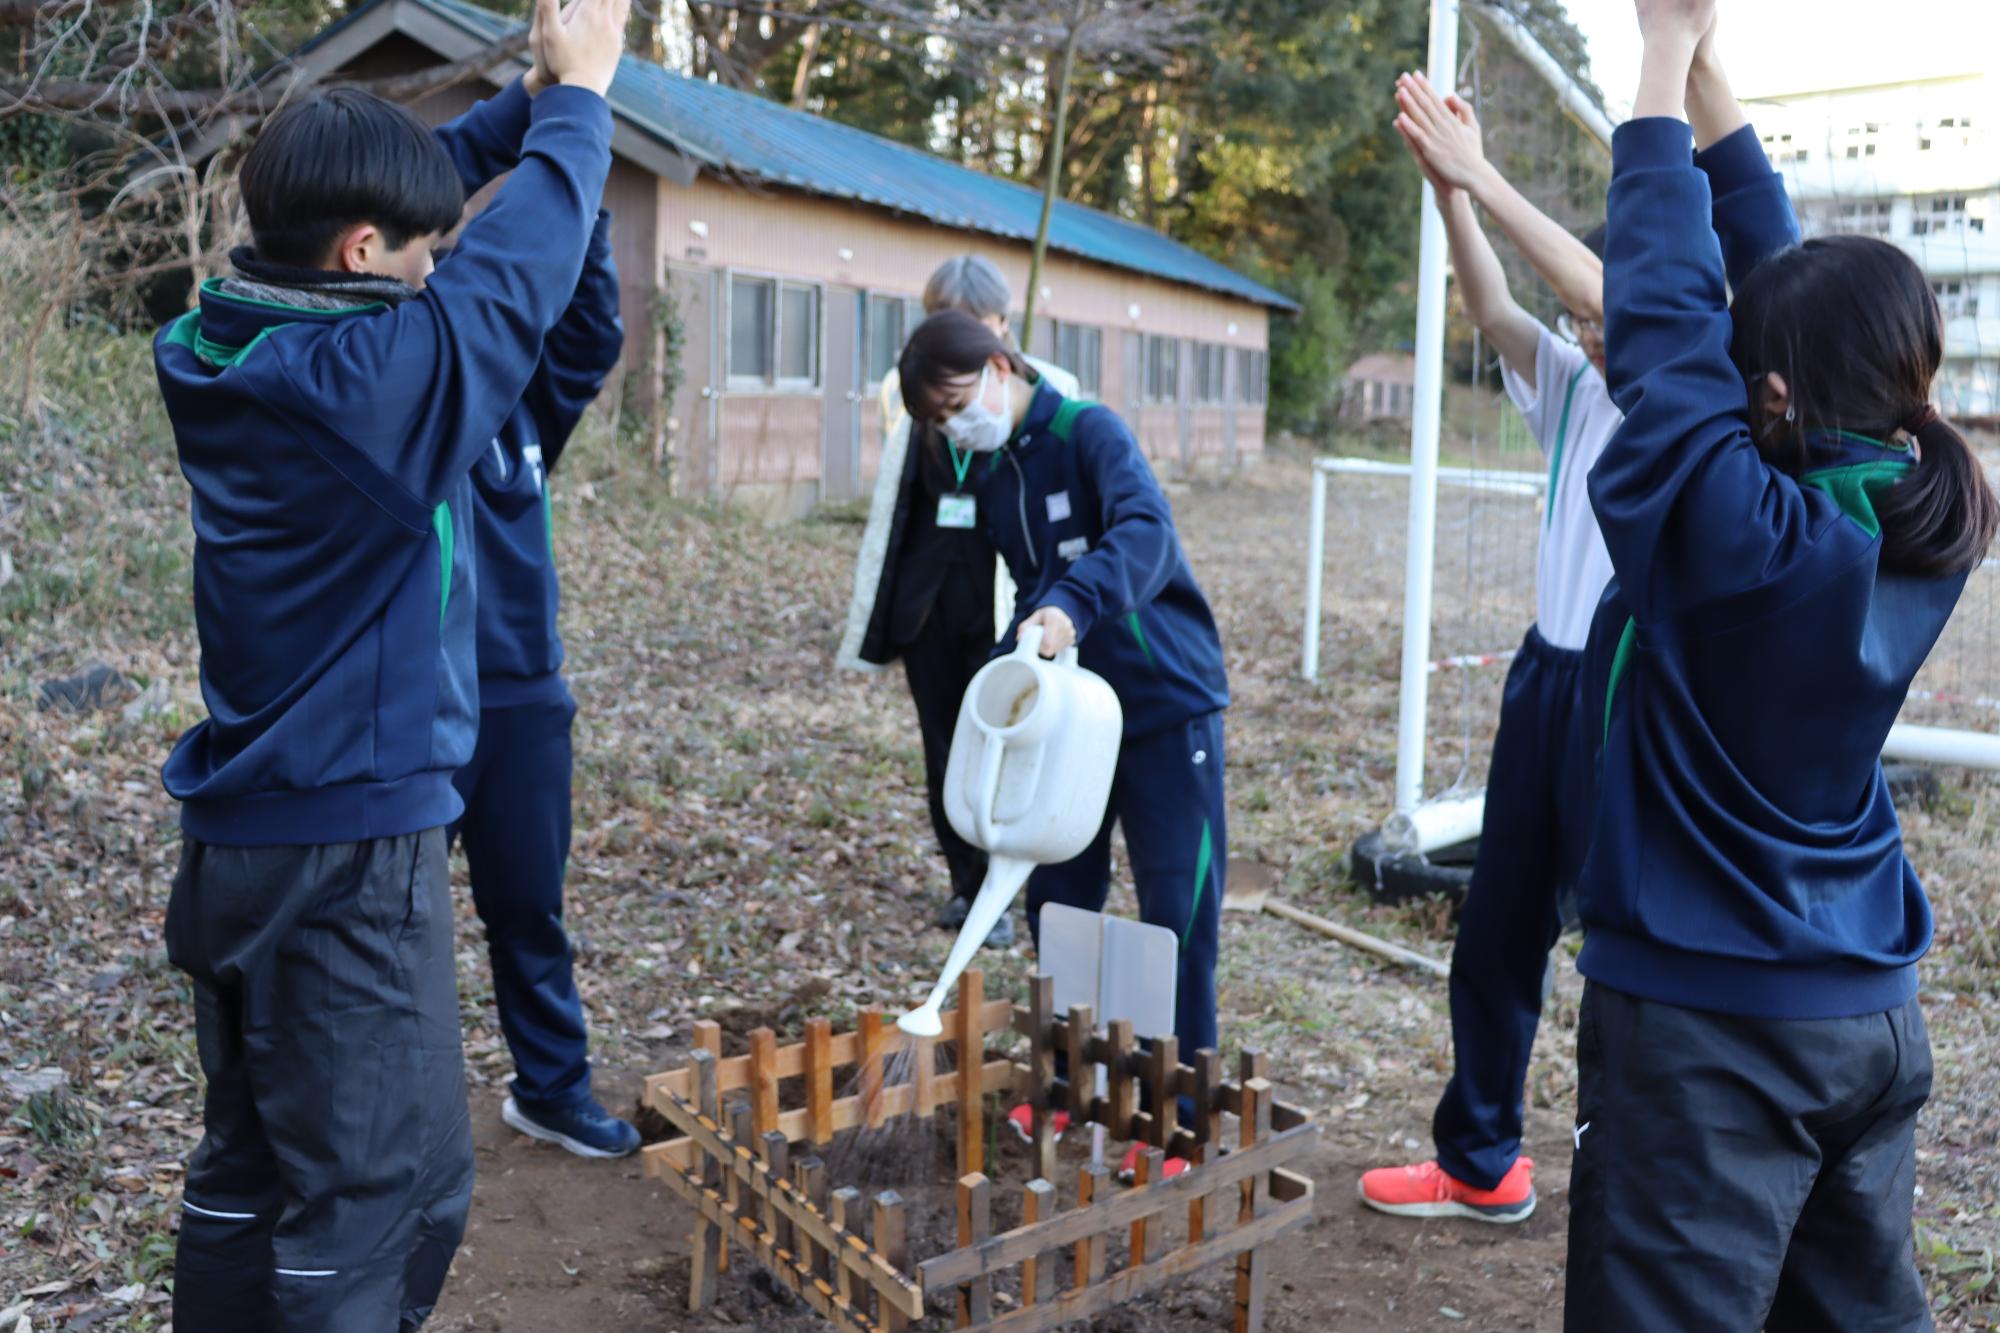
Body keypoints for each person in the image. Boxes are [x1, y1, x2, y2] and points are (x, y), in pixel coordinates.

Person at [153, 0, 627, 1325]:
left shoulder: (226, 340)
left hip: (242, 839)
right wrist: (584, 102)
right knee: (386, 1196)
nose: (436, 267)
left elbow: (447, 226)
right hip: (344, 863)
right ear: (360, 251)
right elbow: (517, 275)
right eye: (419, 252)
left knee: (251, 1173)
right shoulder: (364, 389)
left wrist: (535, 94)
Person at [1566, 5, 1996, 1326]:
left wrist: (1647, 68)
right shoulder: (1917, 514)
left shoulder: (1741, 534)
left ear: (1773, 400)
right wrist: (1698, 58)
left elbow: (1666, 323)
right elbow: (1777, 296)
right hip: (1864, 1013)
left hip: (1714, 1035)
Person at [1357, 72, 1617, 1224]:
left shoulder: (1702, 399)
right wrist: (1449, 197)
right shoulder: (1571, 385)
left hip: (1633, 700)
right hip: (1546, 678)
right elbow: (1493, 312)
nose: (1586, 333)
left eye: (1604, 318)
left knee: (1627, 950)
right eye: (1582, 324)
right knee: (1498, 927)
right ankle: (1479, 1159)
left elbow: (1612, 291)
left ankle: (1636, 1182)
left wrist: (1484, 175)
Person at [897, 310, 1230, 1181]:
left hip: (1163, 705)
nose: (954, 427)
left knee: (1176, 913)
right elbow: (1033, 586)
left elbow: (1146, 535)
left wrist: (1074, 602)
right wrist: (1018, 644)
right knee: (1058, 899)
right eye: (938, 421)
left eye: (960, 403)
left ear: (1002, 365)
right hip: (1072, 718)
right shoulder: (997, 469)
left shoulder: (1091, 433)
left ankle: (1180, 1120)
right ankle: (1071, 1078)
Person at [444, 202, 636, 1155]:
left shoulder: (521, 411)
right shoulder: (394, 411)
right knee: (388, 924)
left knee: (529, 906)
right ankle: (393, 1110)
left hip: (521, 700)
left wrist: (581, 206)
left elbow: (594, 334)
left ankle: (551, 1086)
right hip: (412, 707)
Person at [837, 256, 1080, 949]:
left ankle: (1013, 883)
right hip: (928, 602)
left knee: (1014, 743)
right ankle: (967, 883)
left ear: (1002, 329)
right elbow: (900, 500)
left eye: (976, 328)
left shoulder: (1043, 394)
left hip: (1006, 603)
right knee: (944, 744)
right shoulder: (913, 395)